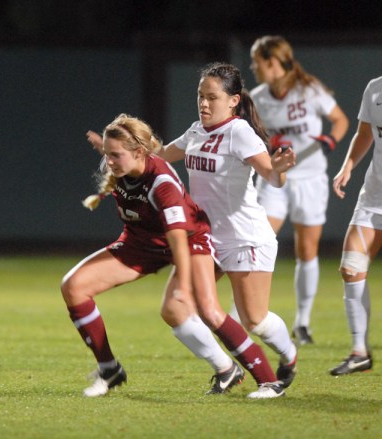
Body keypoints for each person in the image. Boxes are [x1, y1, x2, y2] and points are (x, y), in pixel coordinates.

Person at [63, 113, 283, 399]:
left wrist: (187, 282)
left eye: (116, 155)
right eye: (107, 154)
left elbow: (179, 238)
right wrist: (107, 148)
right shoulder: (120, 164)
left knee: (207, 309)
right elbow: (119, 156)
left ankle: (269, 381)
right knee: (74, 287)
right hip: (142, 242)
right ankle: (110, 369)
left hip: (189, 241)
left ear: (139, 152)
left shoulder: (162, 184)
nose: (110, 161)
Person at [160, 62, 298, 398]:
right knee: (175, 308)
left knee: (255, 320)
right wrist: (124, 154)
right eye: (200, 96)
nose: (204, 104)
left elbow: (271, 176)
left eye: (212, 97)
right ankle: (226, 368)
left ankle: (288, 355)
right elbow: (160, 157)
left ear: (234, 100)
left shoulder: (239, 132)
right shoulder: (196, 130)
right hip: (205, 239)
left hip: (243, 238)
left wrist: (279, 170)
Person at [249, 35, 349, 345]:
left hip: (310, 178)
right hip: (274, 179)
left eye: (258, 61)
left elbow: (340, 121)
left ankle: (302, 323)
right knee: (259, 240)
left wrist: (330, 141)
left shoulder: (310, 90)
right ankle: (249, 311)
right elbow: (252, 137)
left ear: (274, 62)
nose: (254, 67)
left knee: (307, 251)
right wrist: (267, 146)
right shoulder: (257, 97)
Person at [329, 76, 382, 376]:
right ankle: (359, 352)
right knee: (351, 266)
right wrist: (348, 164)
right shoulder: (375, 87)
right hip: (374, 198)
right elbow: (365, 131)